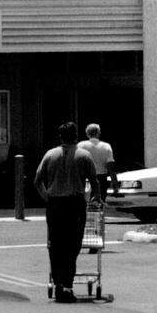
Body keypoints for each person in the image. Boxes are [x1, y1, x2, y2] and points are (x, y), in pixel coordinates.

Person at [34, 121, 99, 303]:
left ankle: (59, 284)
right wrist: (96, 198)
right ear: (76, 136)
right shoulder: (84, 156)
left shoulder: (50, 154)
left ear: (60, 137)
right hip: (75, 204)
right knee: (73, 246)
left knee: (55, 245)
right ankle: (67, 285)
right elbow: (94, 181)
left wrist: (47, 196)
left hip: (55, 204)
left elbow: (37, 180)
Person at [78, 123, 120, 199]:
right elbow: (110, 167)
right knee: (98, 204)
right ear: (98, 133)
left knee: (83, 205)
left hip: (83, 179)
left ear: (87, 133)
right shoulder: (106, 146)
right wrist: (115, 184)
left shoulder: (80, 145)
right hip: (101, 180)